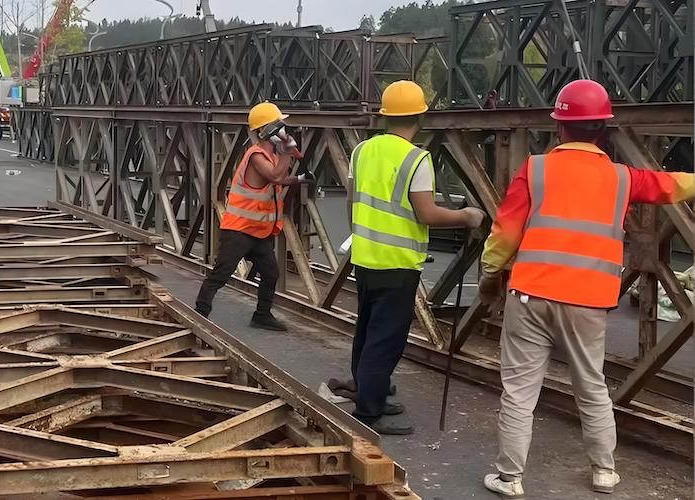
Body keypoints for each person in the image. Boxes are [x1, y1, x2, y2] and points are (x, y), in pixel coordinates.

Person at [478, 79, 695, 497]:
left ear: (560, 127)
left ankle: (510, 478)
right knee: (591, 386)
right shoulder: (623, 179)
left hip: (530, 296)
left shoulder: (535, 169)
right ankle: (603, 471)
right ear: (603, 129)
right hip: (588, 302)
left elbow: (505, 234)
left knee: (520, 390)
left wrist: (490, 274)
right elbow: (672, 185)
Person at [344, 80, 485, 435]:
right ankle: (368, 411)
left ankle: (366, 390)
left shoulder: (362, 150)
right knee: (385, 338)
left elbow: (351, 200)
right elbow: (427, 214)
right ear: (420, 116)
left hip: (365, 256)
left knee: (366, 330)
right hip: (398, 262)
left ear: (386, 116)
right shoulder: (416, 158)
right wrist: (465, 216)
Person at [194, 102, 314, 331]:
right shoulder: (256, 155)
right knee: (222, 273)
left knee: (271, 273)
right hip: (239, 229)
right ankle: (200, 312)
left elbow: (277, 179)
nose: (285, 131)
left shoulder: (270, 157)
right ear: (270, 130)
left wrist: (299, 179)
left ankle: (262, 315)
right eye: (281, 126)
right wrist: (288, 151)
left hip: (257, 231)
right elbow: (276, 178)